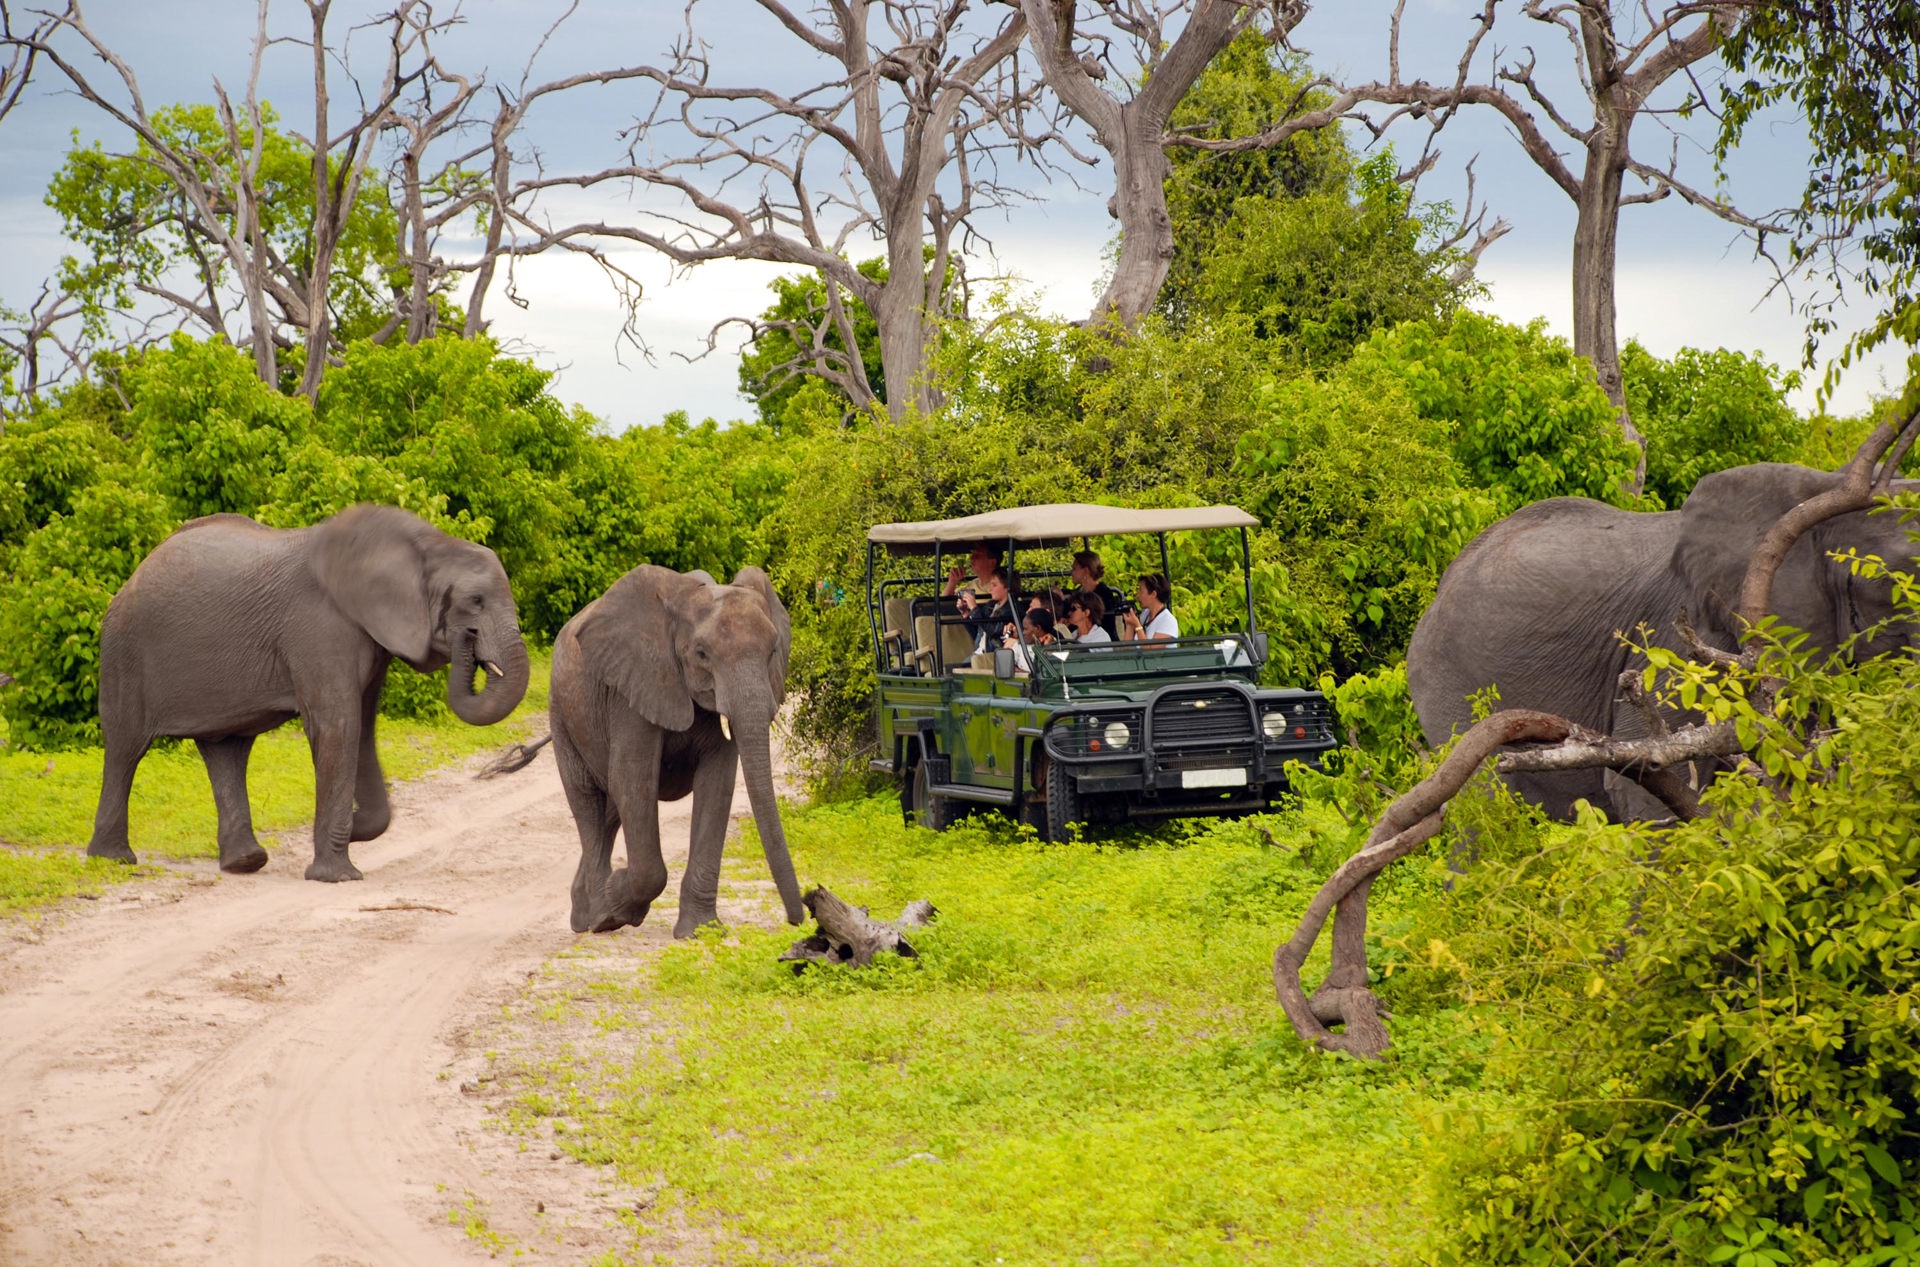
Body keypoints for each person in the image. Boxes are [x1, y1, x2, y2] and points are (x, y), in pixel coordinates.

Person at [959, 566, 1018, 654]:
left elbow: (994, 631)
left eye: (994, 585)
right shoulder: (991, 605)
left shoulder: (1012, 610)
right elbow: (978, 633)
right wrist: (966, 614)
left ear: (1007, 587)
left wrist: (974, 608)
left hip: (993, 655)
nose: (990, 590)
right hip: (979, 653)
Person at [1071, 551, 1125, 637]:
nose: (1072, 573)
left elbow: (1107, 624)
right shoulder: (1079, 592)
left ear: (1085, 571)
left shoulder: (1104, 595)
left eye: (1074, 569)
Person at [1118, 572, 1179, 642]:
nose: (1137, 596)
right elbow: (1127, 648)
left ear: (1153, 594)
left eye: (1141, 591)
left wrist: (1137, 625)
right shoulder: (1145, 614)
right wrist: (1130, 624)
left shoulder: (1168, 621)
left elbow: (1149, 650)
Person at [1002, 606, 1058, 671]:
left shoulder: (1057, 646)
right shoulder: (1020, 645)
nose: (1023, 633)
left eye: (1026, 629)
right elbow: (1005, 667)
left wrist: (1047, 649)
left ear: (1037, 628)